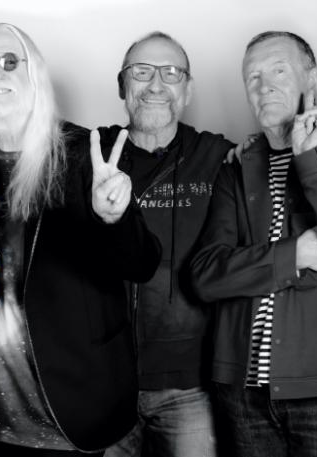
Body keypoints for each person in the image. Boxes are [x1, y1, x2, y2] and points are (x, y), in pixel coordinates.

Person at [0, 22, 162, 456]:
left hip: (78, 411)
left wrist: (114, 217)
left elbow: (142, 264)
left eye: (10, 62)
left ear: (35, 76)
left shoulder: (84, 153)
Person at [189, 31, 317, 457]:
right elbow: (207, 275)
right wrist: (298, 254)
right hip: (242, 393)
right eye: (253, 77)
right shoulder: (236, 168)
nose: (264, 85)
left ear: (311, 78)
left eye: (279, 71)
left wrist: (313, 158)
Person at [97, 32, 231, 457]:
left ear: (188, 90)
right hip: (104, 381)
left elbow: (281, 163)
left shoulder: (219, 156)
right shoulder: (90, 155)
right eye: (141, 72)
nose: (156, 85)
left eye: (171, 73)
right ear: (122, 85)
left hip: (190, 386)